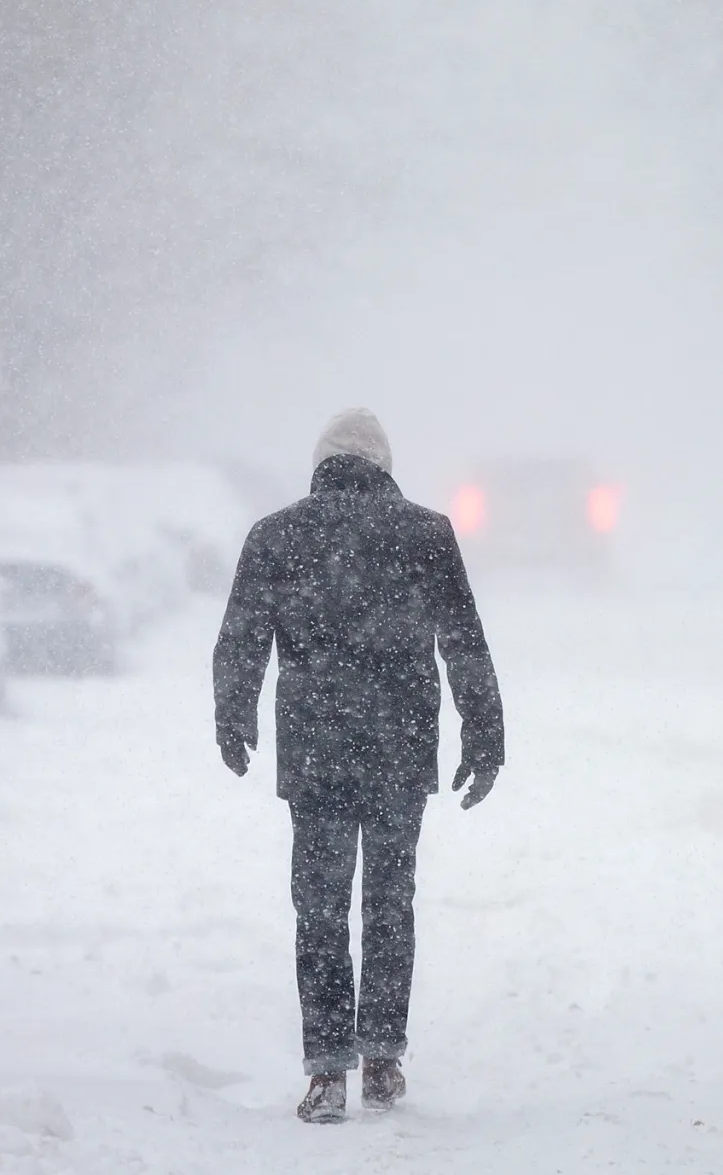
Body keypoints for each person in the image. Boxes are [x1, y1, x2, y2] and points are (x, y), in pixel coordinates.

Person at [213, 408, 506, 1124]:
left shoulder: (276, 535)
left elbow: (240, 640)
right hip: (399, 748)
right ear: (384, 467)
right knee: (388, 903)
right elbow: (464, 641)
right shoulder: (425, 534)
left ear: (321, 465)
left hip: (315, 751)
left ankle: (325, 1073)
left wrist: (234, 714)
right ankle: (381, 1054)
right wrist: (484, 734)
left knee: (318, 907)